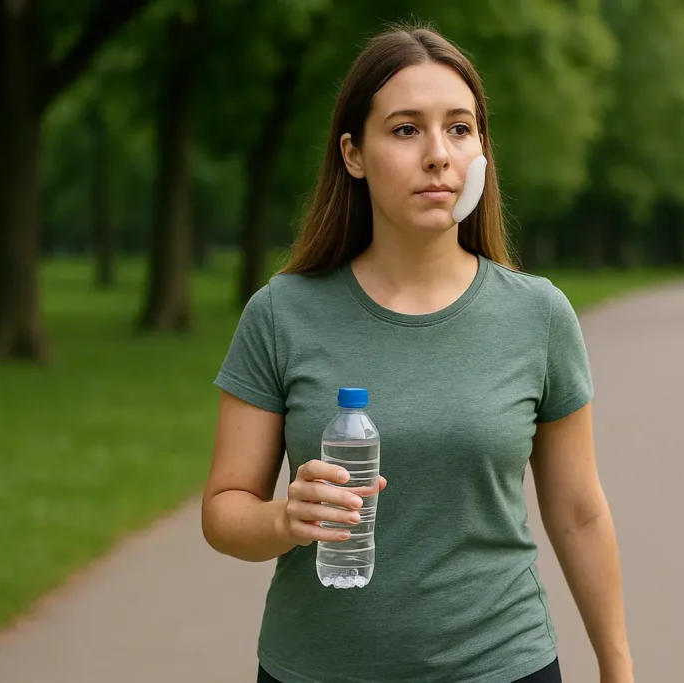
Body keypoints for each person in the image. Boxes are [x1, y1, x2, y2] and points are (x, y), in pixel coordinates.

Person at [202, 21, 634, 683]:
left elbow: (577, 510)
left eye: (460, 128)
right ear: (353, 153)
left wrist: (617, 665)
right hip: (314, 669)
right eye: (406, 129)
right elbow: (225, 509)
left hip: (502, 665)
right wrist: (286, 517)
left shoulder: (538, 314)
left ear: (482, 153)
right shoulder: (281, 314)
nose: (439, 153)